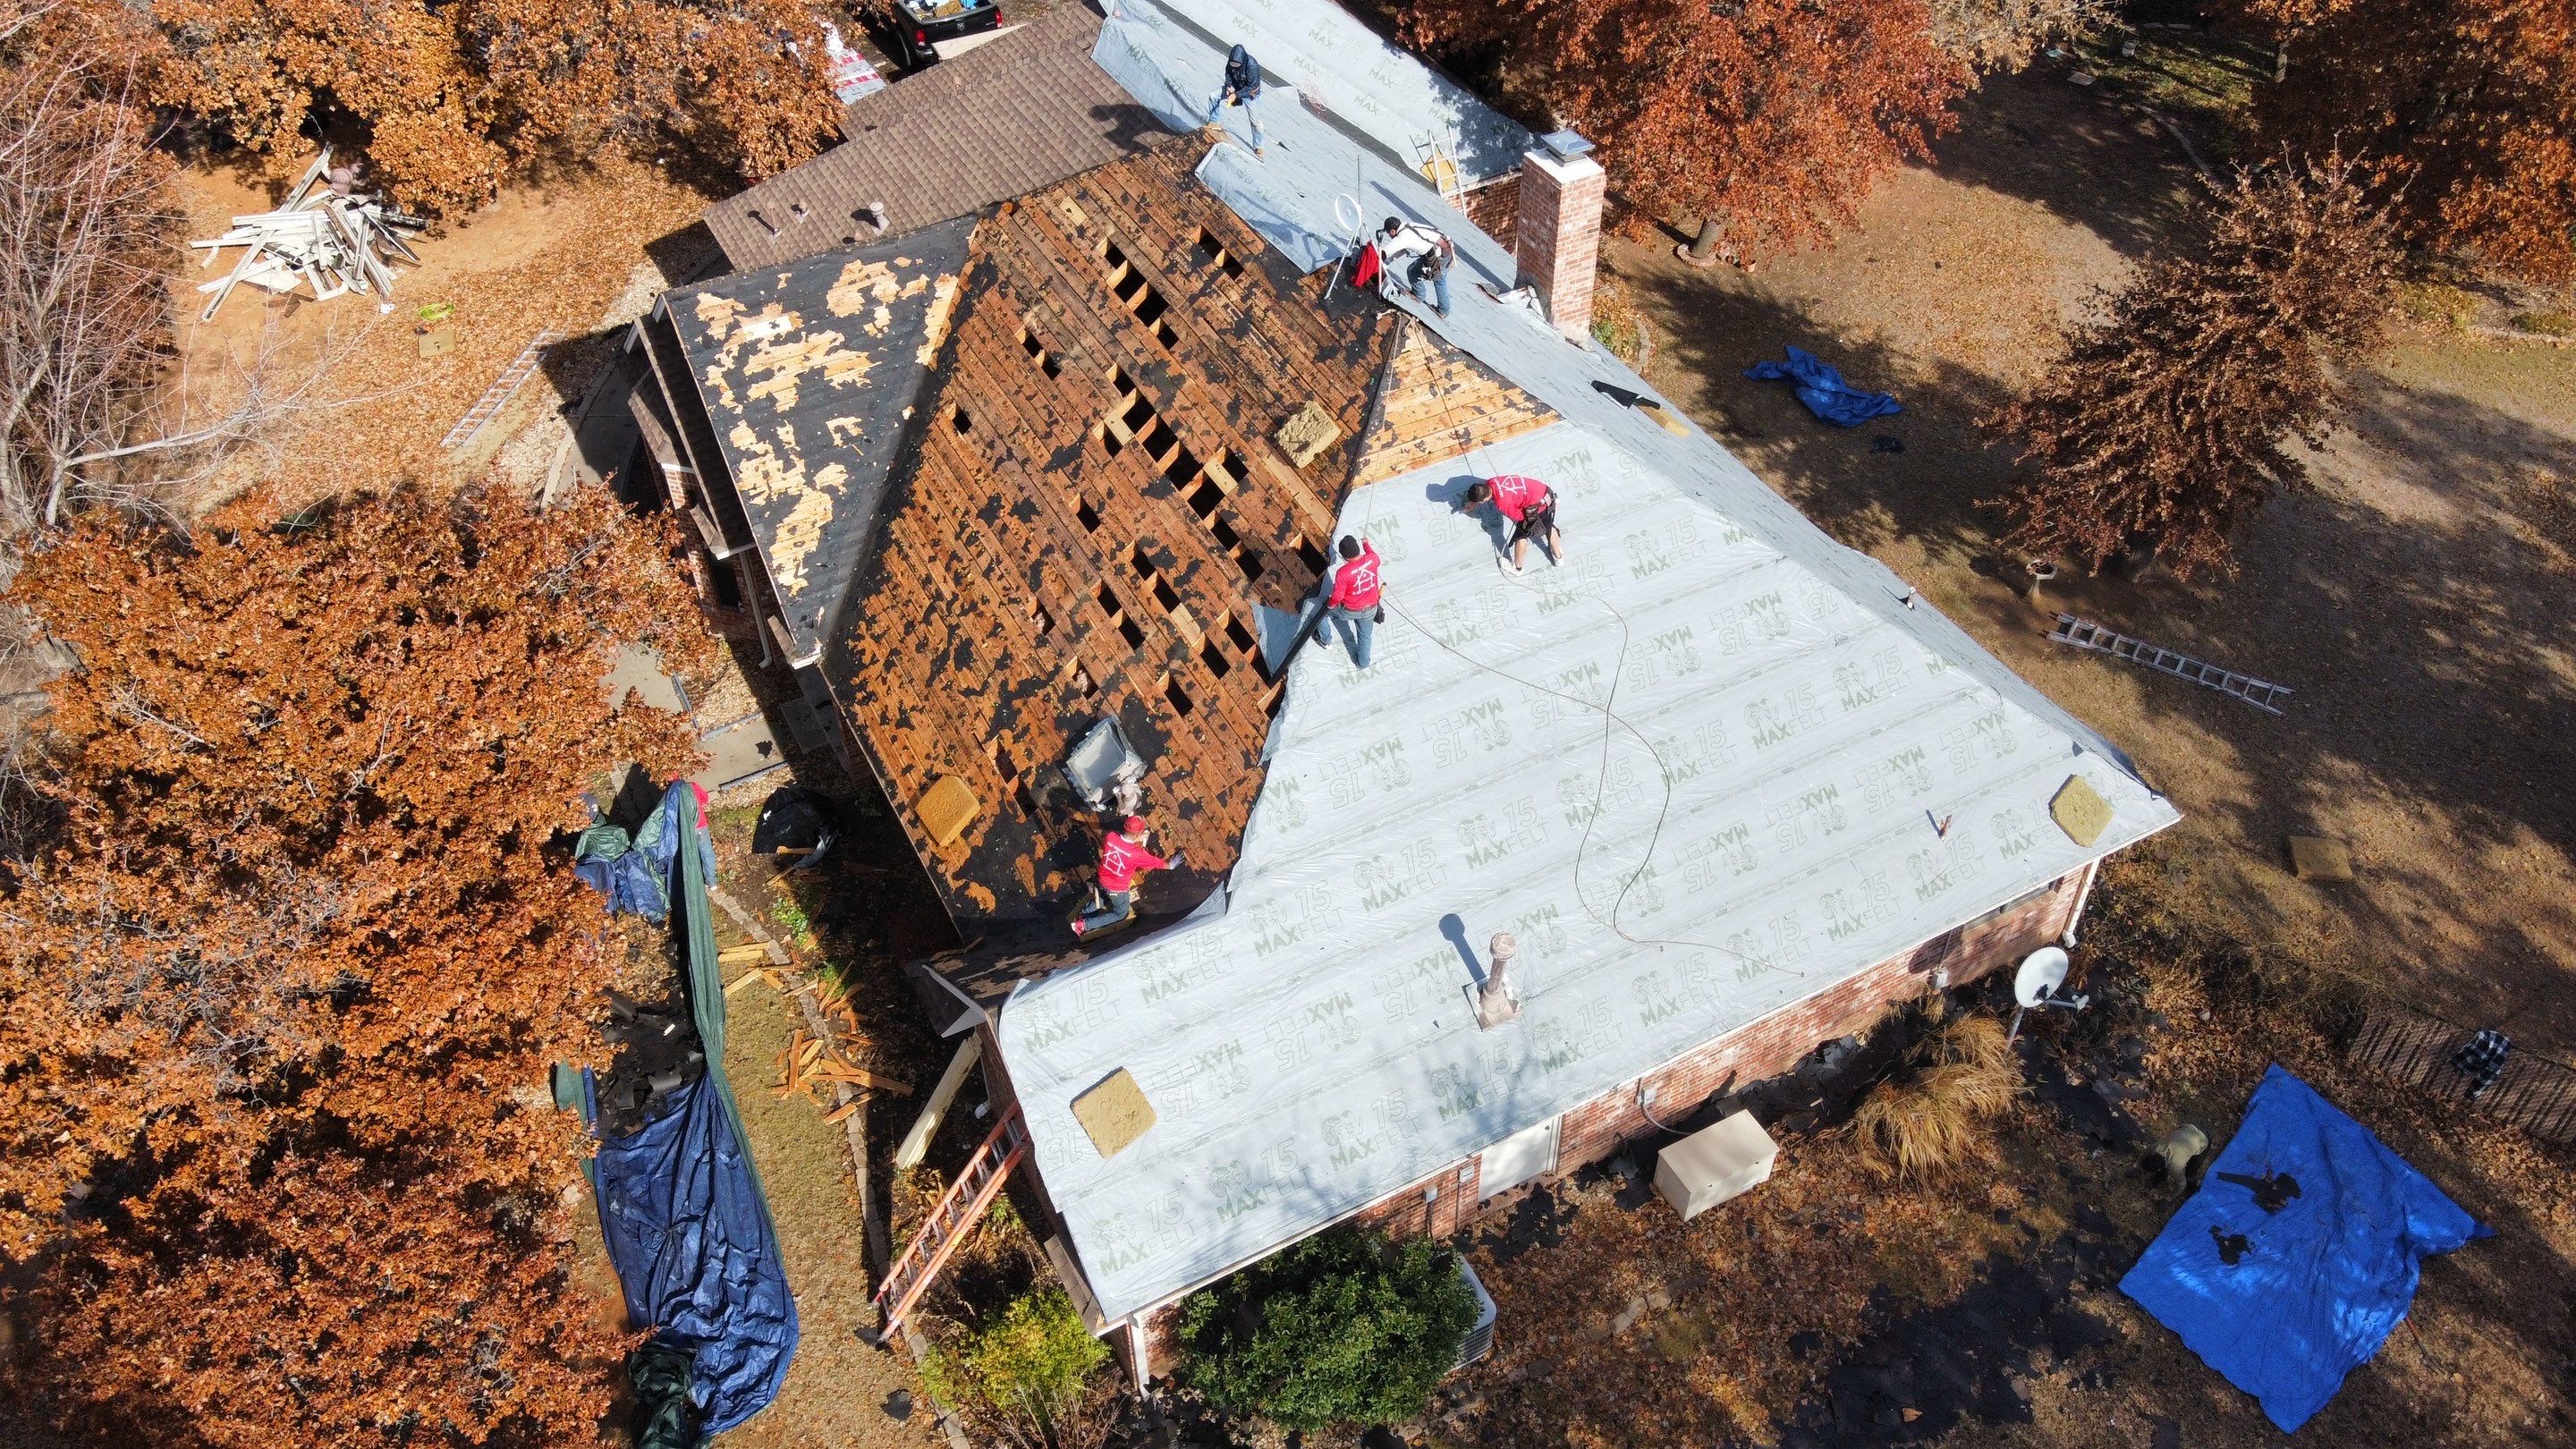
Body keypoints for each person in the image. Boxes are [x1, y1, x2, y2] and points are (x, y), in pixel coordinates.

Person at [1072, 816, 1181, 936]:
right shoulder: (1137, 854)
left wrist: (1138, 837)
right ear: (1137, 833)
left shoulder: (1110, 837)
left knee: (1104, 896)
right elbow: (1157, 863)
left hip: (1102, 879)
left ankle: (1084, 913)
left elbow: (1122, 843)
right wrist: (1171, 865)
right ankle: (1083, 925)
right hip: (1117, 889)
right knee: (1120, 913)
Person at [1296, 534, 1385, 669]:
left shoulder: (1343, 573)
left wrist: (1329, 606)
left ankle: (1326, 641)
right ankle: (1363, 663)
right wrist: (1366, 543)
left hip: (1350, 610)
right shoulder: (1373, 559)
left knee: (1322, 614)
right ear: (1358, 549)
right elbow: (1371, 553)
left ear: (1344, 557)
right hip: (1371, 608)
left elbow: (1337, 596)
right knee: (1365, 637)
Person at [1463, 474, 1565, 572]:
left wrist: (1521, 509)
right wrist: (1474, 503)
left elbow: (1520, 517)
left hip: (1540, 504)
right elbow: (1485, 493)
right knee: (1548, 526)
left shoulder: (1502, 502)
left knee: (1521, 535)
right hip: (1545, 491)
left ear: (1485, 500)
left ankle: (1517, 568)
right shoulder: (1491, 481)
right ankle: (1559, 558)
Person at [1374, 216, 1453, 317]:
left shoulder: (1402, 237)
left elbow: (1386, 252)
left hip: (1438, 255)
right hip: (1445, 248)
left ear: (1393, 231)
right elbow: (1402, 250)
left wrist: (1377, 259)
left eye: (1389, 233)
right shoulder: (1408, 226)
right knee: (1440, 280)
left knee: (1413, 271)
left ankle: (1419, 295)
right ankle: (1443, 310)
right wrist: (1386, 263)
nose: (1389, 235)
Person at [1205, 43, 1268, 156]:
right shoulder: (1231, 62)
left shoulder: (1252, 66)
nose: (1234, 66)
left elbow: (1253, 86)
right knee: (1213, 96)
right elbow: (1228, 73)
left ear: (1242, 61)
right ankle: (1214, 122)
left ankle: (1259, 147)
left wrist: (1236, 95)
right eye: (1232, 64)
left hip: (1250, 94)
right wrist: (1228, 85)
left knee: (1255, 121)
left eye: (1237, 65)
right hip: (1235, 87)